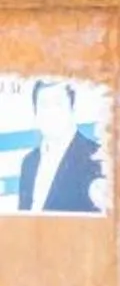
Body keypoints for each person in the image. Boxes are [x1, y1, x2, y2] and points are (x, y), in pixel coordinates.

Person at [12, 81, 105, 215]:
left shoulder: (97, 158)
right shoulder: (28, 162)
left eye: (58, 104)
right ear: (35, 114)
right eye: (44, 105)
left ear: (73, 109)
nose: (51, 112)